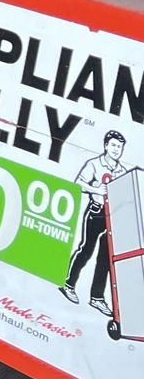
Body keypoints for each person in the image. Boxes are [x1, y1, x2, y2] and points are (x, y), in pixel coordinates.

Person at [61, 130, 134, 317]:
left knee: (106, 258)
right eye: (114, 145)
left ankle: (97, 297)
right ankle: (68, 284)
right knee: (86, 249)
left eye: (120, 146)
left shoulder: (122, 171)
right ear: (106, 146)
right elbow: (78, 183)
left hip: (113, 216)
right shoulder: (94, 164)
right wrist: (97, 190)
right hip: (96, 211)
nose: (117, 150)